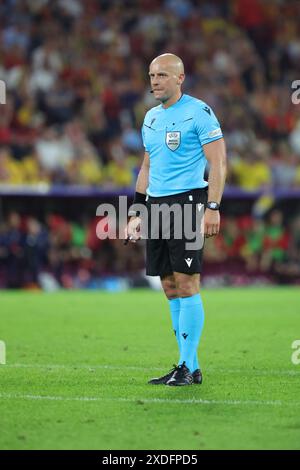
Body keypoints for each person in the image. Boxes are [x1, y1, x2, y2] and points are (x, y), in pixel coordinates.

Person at [125, 53, 227, 386]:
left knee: (187, 282)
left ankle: (185, 364)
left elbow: (219, 162)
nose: (155, 81)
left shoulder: (199, 113)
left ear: (180, 78)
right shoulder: (151, 118)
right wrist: (137, 212)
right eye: (152, 75)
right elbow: (147, 167)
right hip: (156, 206)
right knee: (169, 286)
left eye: (163, 75)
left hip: (188, 203)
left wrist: (212, 207)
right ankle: (189, 367)